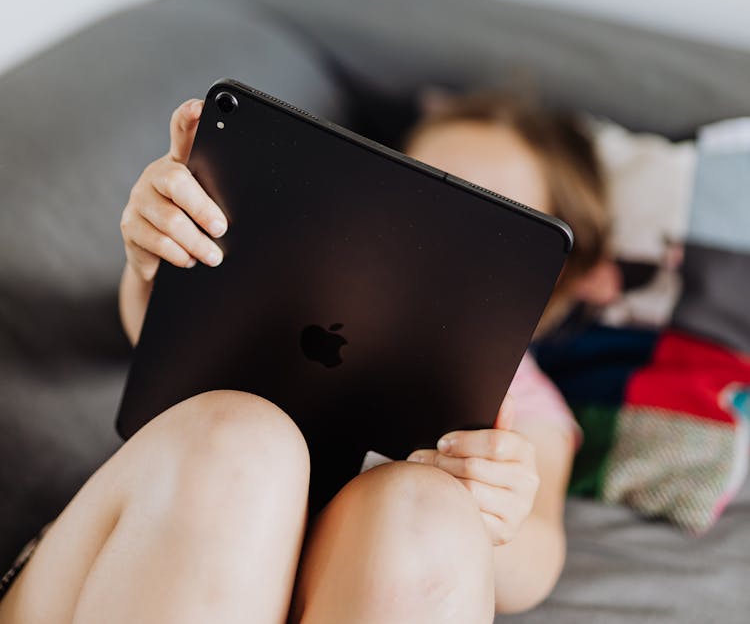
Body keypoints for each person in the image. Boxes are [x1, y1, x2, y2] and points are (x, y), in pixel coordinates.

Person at [0, 85, 622, 623]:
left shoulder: (527, 403)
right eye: (419, 198)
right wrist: (155, 262)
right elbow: (156, 340)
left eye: (477, 229)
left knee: (432, 512)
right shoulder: (299, 281)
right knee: (240, 440)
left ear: (552, 285)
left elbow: (535, 563)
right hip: (120, 586)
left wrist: (500, 515)